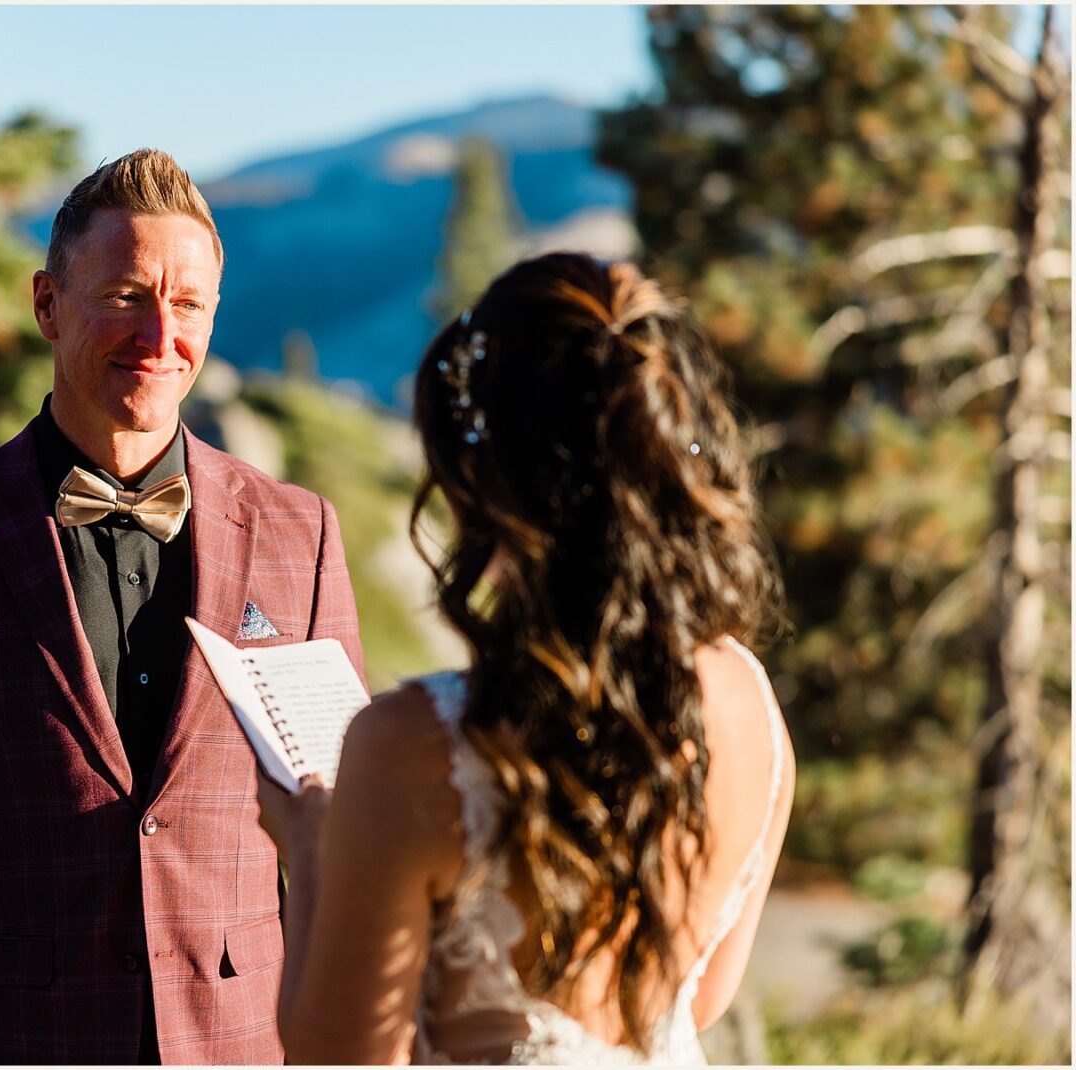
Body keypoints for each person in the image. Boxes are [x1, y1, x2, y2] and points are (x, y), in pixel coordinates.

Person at [0, 148, 365, 1065]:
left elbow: (347, 841)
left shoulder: (300, 534)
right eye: (125, 295)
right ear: (47, 303)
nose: (161, 335)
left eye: (188, 303)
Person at [257, 253, 795, 1064]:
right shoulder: (749, 699)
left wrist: (308, 846)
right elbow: (702, 997)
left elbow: (339, 1060)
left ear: (486, 474)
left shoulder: (415, 746)